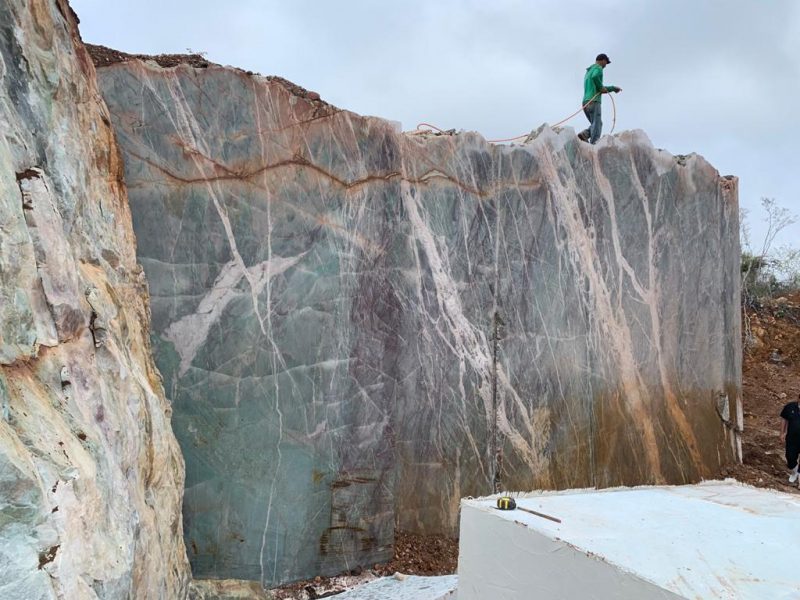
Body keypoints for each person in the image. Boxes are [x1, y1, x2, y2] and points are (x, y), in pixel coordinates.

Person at [578, 53, 621, 144]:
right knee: (597, 125)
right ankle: (594, 145)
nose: (606, 65)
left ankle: (585, 134)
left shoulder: (589, 71)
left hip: (585, 102)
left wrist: (612, 88)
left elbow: (597, 85)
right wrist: (602, 87)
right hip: (594, 101)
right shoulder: (598, 68)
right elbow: (596, 79)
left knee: (597, 124)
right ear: (603, 60)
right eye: (606, 62)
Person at [780, 392, 800, 486]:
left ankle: (799, 476)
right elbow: (784, 419)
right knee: (790, 457)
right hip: (792, 438)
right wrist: (782, 432)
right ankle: (795, 472)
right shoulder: (790, 407)